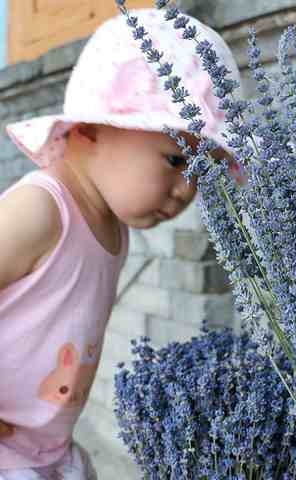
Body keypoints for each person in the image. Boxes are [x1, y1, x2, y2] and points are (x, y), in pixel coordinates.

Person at [0, 7, 243, 479]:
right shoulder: (41, 210)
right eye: (175, 159)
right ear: (90, 128)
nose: (186, 189)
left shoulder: (113, 229)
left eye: (202, 170)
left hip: (45, 449)